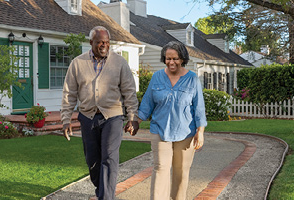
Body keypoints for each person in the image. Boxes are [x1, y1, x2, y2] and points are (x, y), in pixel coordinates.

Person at [61, 26, 139, 200]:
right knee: (93, 162)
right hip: (88, 117)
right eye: (100, 42)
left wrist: (133, 117)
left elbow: (129, 92)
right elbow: (69, 93)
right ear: (91, 43)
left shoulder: (119, 63)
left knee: (109, 157)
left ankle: (105, 197)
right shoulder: (77, 63)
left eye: (107, 42)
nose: (104, 45)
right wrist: (66, 119)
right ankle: (102, 193)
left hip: (113, 116)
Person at [132, 41, 207, 200]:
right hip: (160, 130)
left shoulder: (192, 79)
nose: (171, 62)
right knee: (160, 169)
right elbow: (147, 103)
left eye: (175, 59)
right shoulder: (157, 77)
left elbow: (199, 107)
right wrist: (136, 121)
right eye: (168, 58)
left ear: (182, 59)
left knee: (181, 172)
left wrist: (200, 132)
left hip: (185, 132)